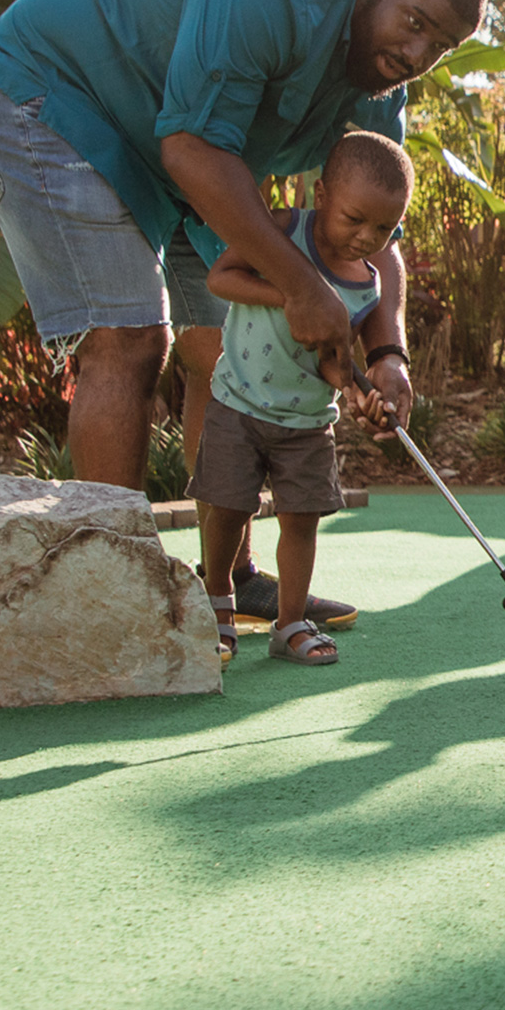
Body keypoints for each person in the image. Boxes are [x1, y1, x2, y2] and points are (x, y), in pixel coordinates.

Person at [0, 0, 479, 624]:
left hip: (178, 149)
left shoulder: (380, 90)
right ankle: (117, 601)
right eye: (415, 23)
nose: (416, 54)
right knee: (128, 337)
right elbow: (193, 150)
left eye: (439, 47)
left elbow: (378, 236)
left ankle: (226, 580)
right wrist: (301, 288)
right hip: (57, 97)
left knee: (228, 348)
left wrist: (389, 355)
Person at [192, 132, 411, 666]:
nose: (366, 237)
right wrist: (292, 294)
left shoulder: (365, 284)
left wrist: (358, 392)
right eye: (354, 219)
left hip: (308, 421)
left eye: (384, 229)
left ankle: (289, 622)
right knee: (227, 508)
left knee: (302, 519)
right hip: (238, 403)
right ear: (321, 195)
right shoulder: (281, 229)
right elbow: (221, 277)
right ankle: (216, 605)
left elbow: (333, 359)